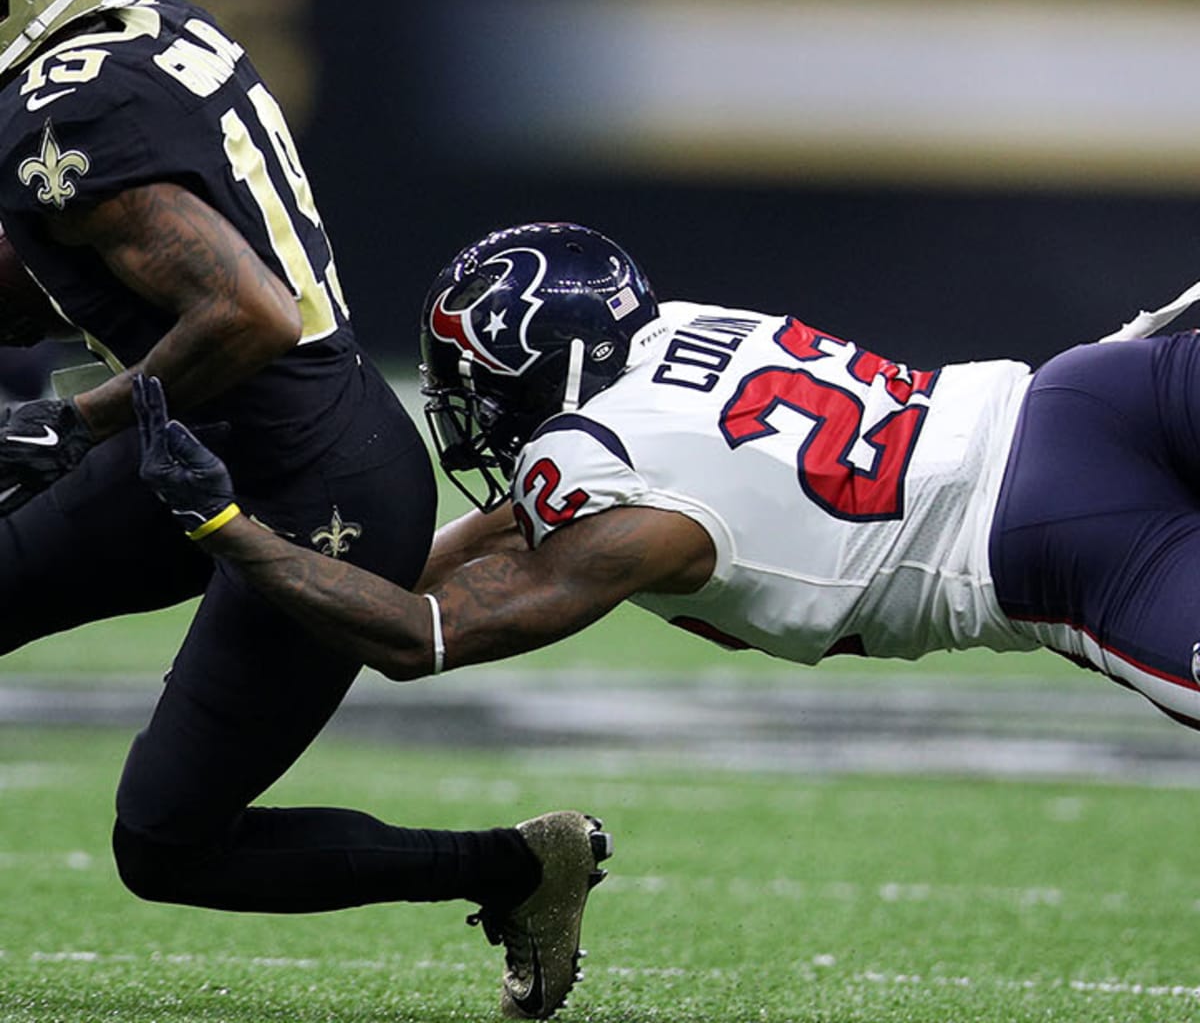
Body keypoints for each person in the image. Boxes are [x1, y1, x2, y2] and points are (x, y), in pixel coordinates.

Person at [0, 0, 609, 1022]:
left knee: (169, 845)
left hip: (317, 485)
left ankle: (519, 867)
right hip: (206, 435)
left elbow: (247, 313)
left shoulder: (57, 107)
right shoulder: (146, 30)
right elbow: (68, 256)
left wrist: (71, 423)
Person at [135, 220, 1200, 749]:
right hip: (1085, 392)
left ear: (543, 372)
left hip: (1055, 543)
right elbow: (541, 517)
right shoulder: (673, 331)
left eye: (480, 385)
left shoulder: (617, 491)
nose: (472, 413)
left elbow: (419, 637)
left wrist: (230, 525)